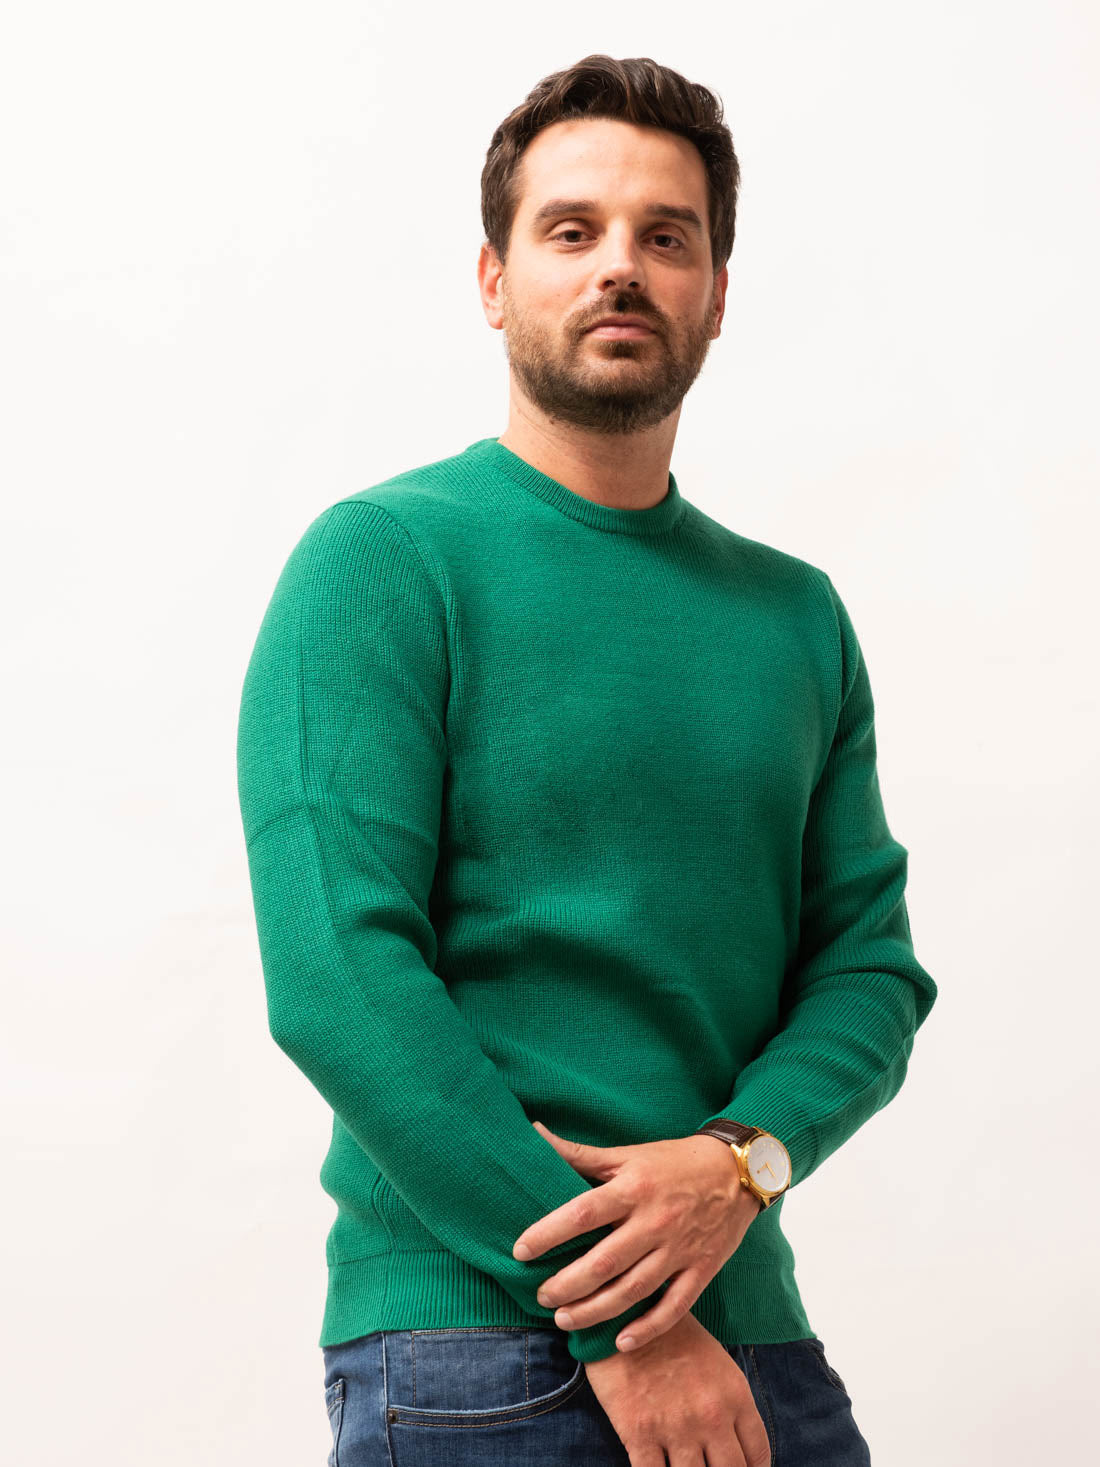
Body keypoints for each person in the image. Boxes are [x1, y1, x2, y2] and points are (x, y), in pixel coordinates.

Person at [236, 52, 937, 1467]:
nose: (621, 265)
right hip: (478, 1339)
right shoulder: (382, 565)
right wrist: (624, 1322)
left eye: (666, 237)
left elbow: (870, 970)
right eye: (573, 230)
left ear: (717, 294)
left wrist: (743, 1161)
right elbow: (339, 981)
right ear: (494, 280)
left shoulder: (795, 617)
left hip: (753, 1335)